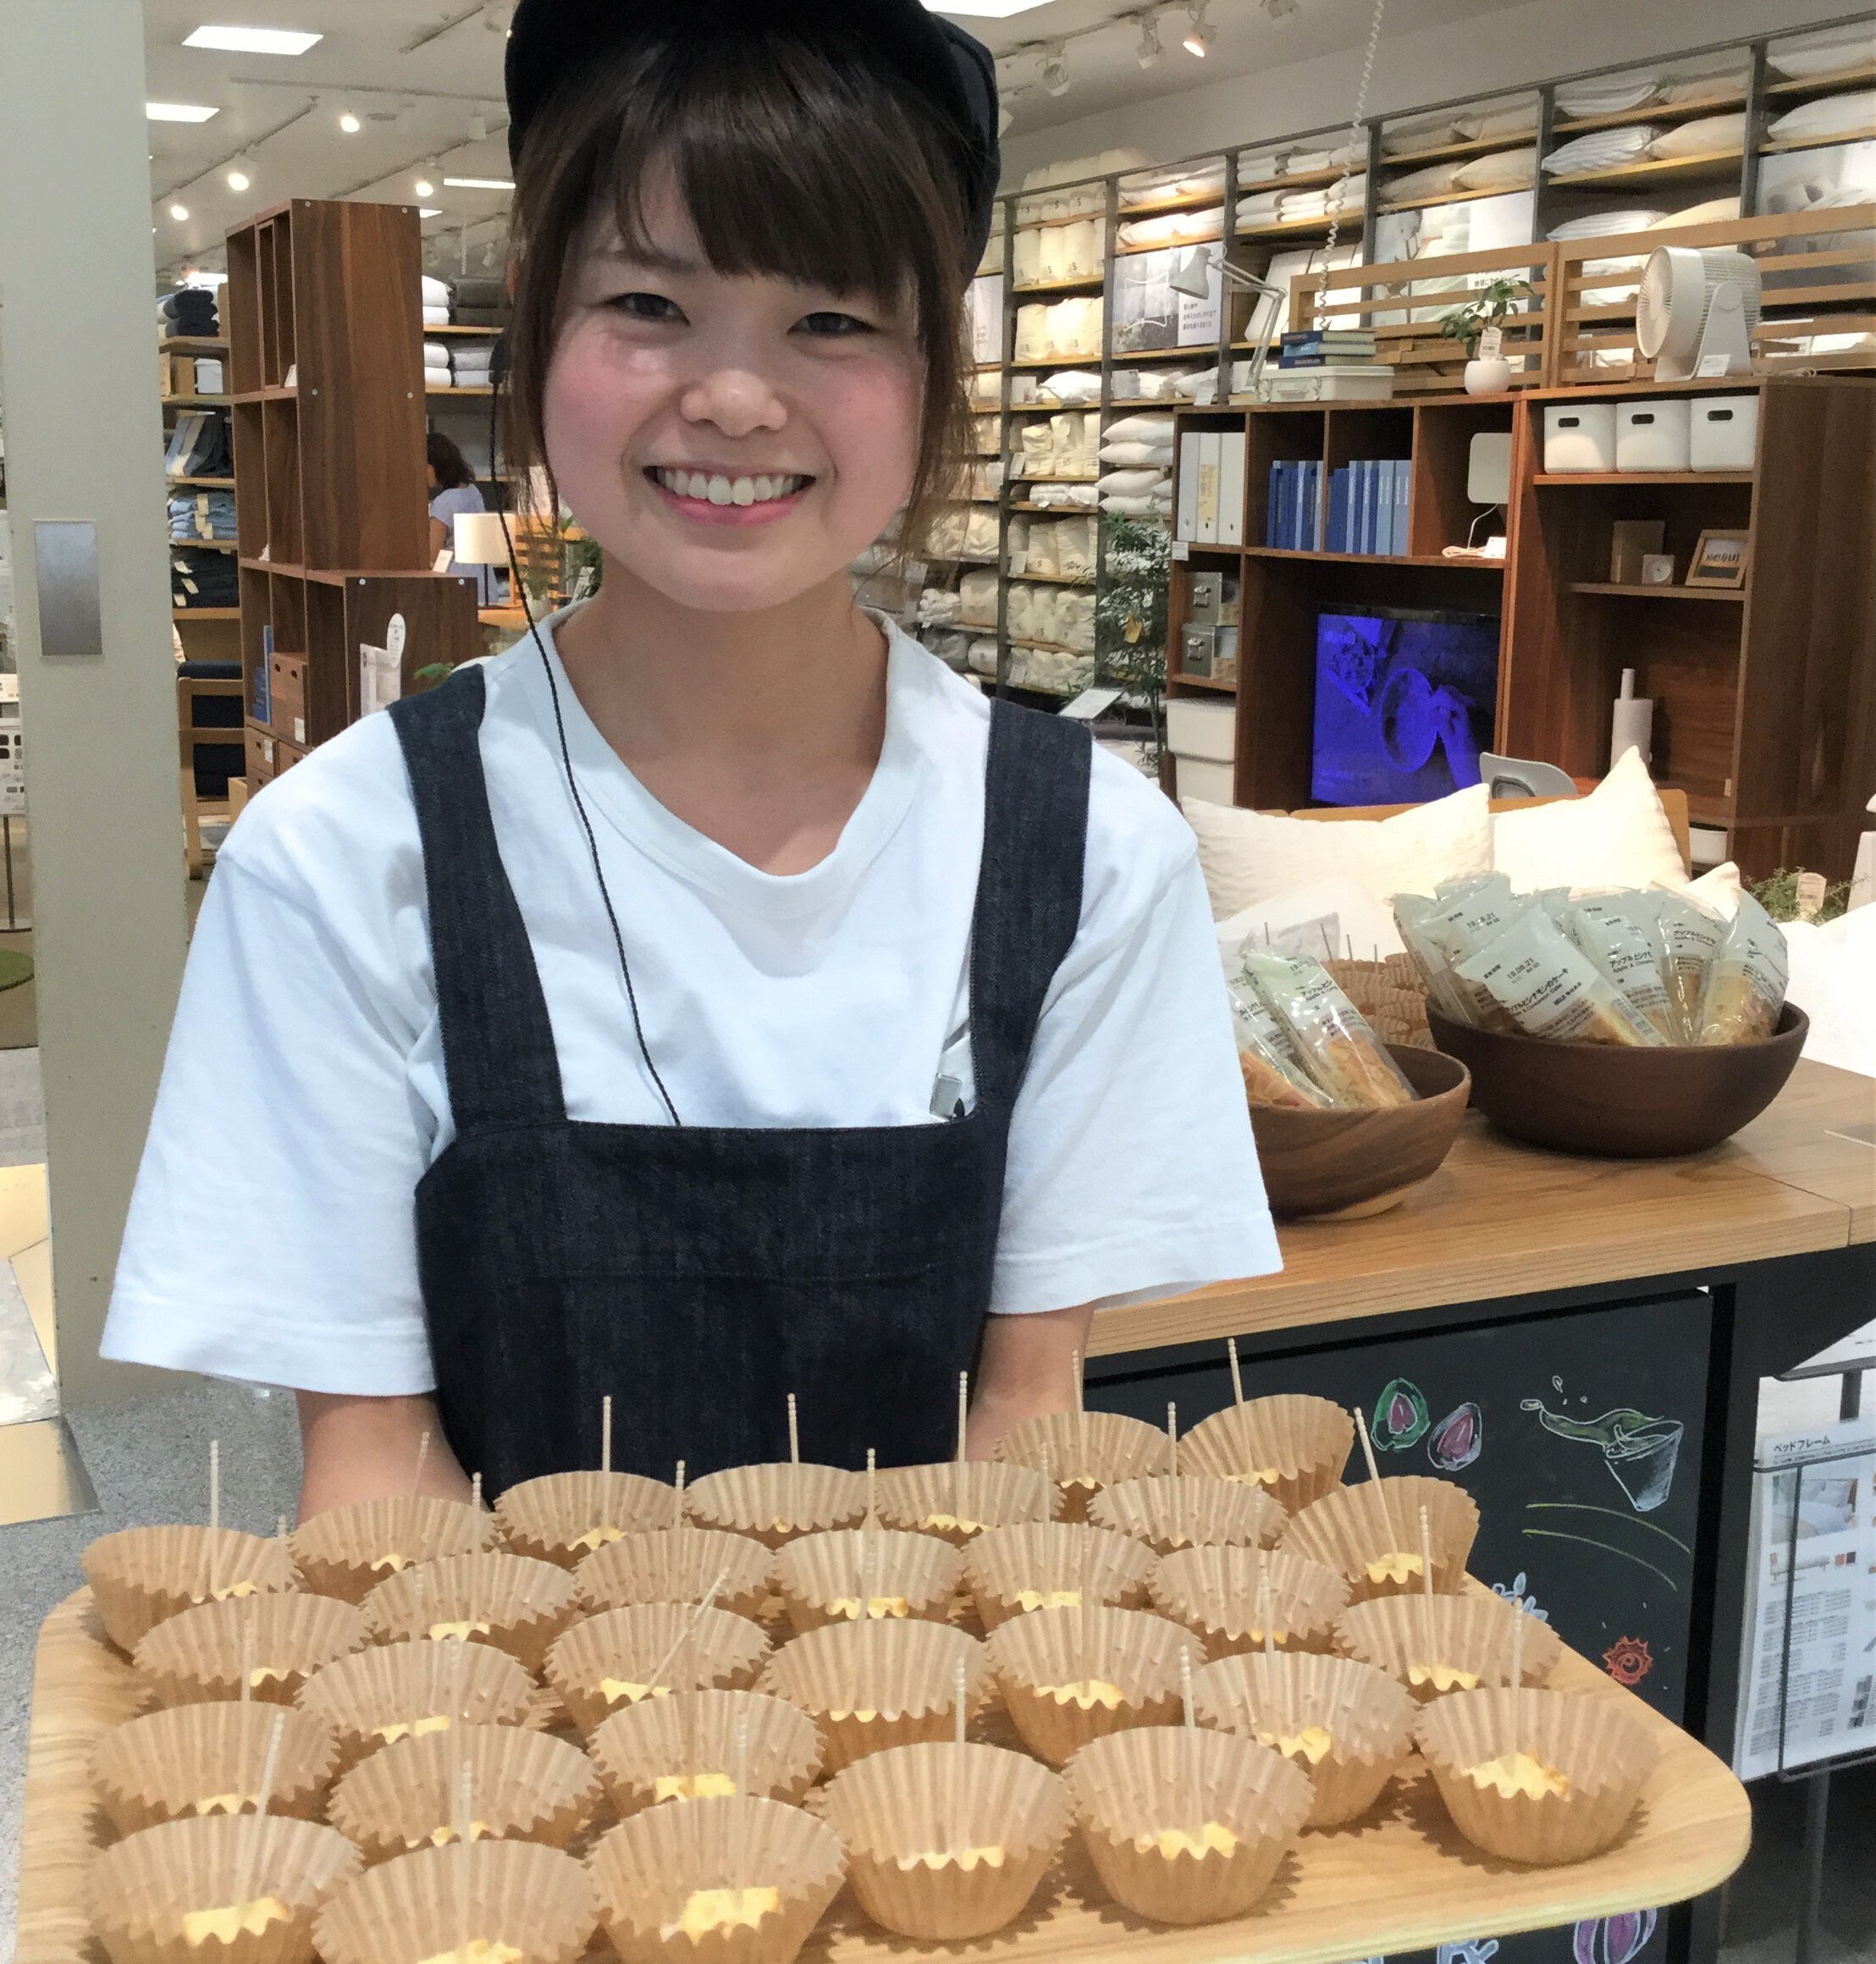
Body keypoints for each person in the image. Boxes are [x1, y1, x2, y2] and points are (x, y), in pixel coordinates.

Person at [102, 0, 1279, 1521]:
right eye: (650, 306)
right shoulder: (345, 853)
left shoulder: (1091, 855)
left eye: (834, 321)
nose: (733, 396)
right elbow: (376, 1465)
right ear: (538, 321)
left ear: (937, 375)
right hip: (491, 1724)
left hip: (941, 1716)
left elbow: (1028, 1417)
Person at [425, 429, 500, 604]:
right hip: (483, 578)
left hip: (456, 578)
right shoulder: (473, 492)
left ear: (435, 466)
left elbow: (432, 553)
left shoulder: (444, 502)